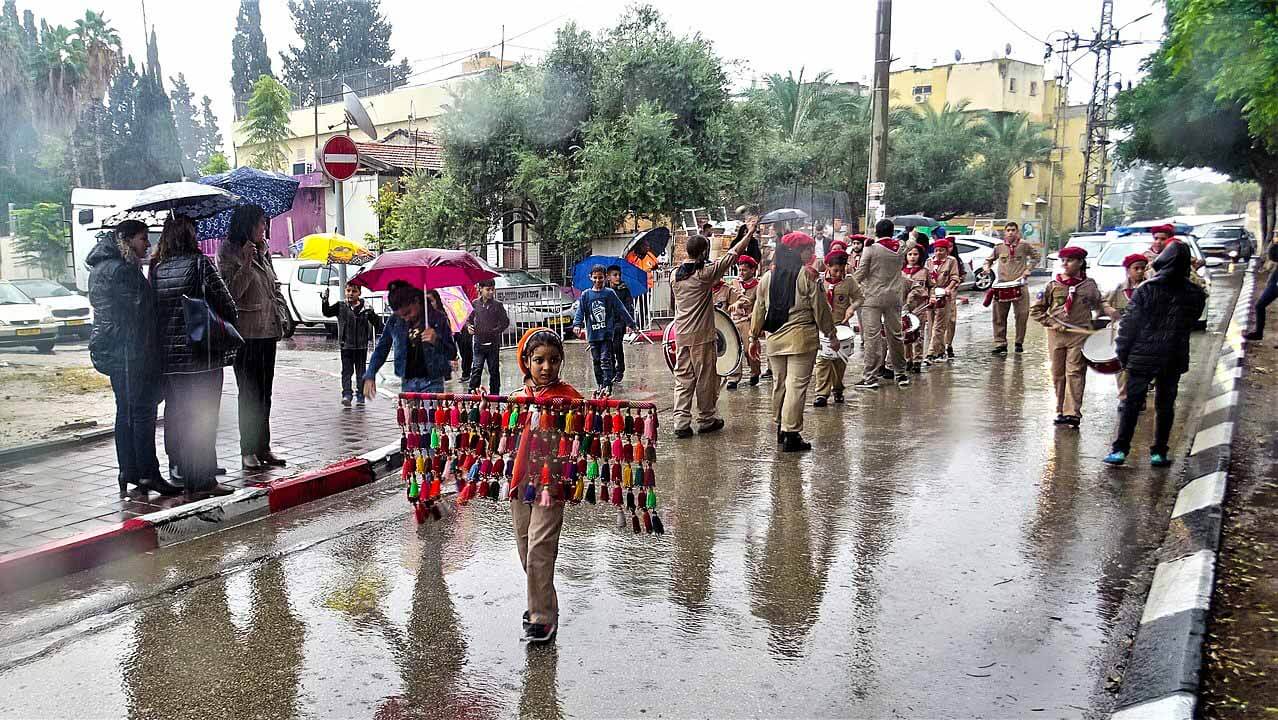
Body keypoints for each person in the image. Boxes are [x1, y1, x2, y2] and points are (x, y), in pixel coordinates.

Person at [87, 220, 182, 497]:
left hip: (117, 350)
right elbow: (141, 314)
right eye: (142, 238)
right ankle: (148, 473)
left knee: (126, 411)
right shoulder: (122, 270)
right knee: (142, 412)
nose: (147, 244)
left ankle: (128, 471)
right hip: (132, 352)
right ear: (126, 240)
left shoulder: (102, 266)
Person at [152, 214, 237, 498]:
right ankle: (204, 482)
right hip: (201, 355)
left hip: (170, 360)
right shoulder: (200, 263)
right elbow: (227, 304)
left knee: (183, 419)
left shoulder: (158, 268)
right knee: (204, 418)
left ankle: (189, 478)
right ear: (190, 236)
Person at [509, 327, 583, 643]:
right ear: (527, 361)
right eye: (539, 360)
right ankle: (545, 602)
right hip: (520, 480)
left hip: (551, 483)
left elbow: (583, 435)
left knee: (540, 545)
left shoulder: (569, 398)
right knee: (525, 546)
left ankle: (542, 617)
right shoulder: (517, 398)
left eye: (553, 360)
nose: (546, 367)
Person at [1104, 242, 1208, 466]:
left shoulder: (1146, 289)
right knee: (1166, 405)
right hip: (1174, 355)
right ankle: (1159, 453)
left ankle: (1120, 450)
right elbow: (1191, 322)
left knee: (1132, 404)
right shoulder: (1195, 293)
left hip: (1142, 356)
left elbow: (1129, 326)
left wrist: (1123, 354)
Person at [749, 231, 837, 452]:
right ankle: (791, 434)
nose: (811, 253)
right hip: (801, 340)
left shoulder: (767, 277)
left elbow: (759, 309)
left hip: (775, 340)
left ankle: (780, 427)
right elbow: (821, 309)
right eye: (808, 249)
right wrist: (831, 334)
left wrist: (753, 337)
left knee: (780, 383)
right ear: (798, 251)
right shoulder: (808, 276)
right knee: (795, 386)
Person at [218, 204, 287, 471]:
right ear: (247, 225)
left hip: (268, 330)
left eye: (265, 223)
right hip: (246, 333)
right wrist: (246, 263)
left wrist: (281, 312)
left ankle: (263, 446)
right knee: (249, 394)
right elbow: (231, 293)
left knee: (265, 393)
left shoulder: (264, 250)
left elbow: (273, 286)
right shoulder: (228, 251)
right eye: (260, 223)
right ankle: (248, 449)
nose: (264, 228)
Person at [671, 230, 752, 437]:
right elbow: (732, 255)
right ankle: (706, 419)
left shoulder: (674, 275)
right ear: (703, 252)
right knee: (705, 379)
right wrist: (749, 233)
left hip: (681, 334)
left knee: (683, 378)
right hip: (702, 336)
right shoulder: (704, 275)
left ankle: (681, 422)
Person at [1030, 245, 1106, 429]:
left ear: (1080, 262)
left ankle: (1073, 413)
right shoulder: (1053, 285)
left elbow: (1099, 305)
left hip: (1079, 335)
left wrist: (1107, 315)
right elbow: (1036, 310)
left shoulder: (1089, 285)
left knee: (1075, 372)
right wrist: (1051, 323)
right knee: (1057, 373)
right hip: (1056, 335)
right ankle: (1060, 410)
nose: (1065, 264)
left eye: (1070, 260)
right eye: (1063, 260)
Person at [363, 282, 456, 397]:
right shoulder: (394, 321)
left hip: (433, 382)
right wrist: (370, 373)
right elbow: (381, 349)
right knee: (408, 410)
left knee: (429, 409)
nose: (406, 318)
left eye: (408, 313)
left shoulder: (437, 318)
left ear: (416, 301)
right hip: (407, 382)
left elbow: (452, 352)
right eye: (401, 316)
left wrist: (436, 340)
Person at [853, 218, 908, 389]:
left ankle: (870, 377)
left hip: (872, 298)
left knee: (872, 337)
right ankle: (901, 373)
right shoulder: (901, 247)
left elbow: (861, 272)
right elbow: (911, 241)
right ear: (892, 231)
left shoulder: (870, 249)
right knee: (896, 335)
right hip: (894, 297)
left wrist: (848, 285)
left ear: (876, 232)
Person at [812, 249, 863, 407]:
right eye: (835, 270)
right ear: (827, 266)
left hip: (841, 326)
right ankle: (821, 393)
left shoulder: (849, 281)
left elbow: (860, 298)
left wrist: (852, 308)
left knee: (840, 361)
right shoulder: (819, 281)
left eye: (842, 270)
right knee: (823, 360)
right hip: (822, 327)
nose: (839, 273)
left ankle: (838, 389)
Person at [572, 264, 634, 396]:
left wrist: (631, 323)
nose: (597, 280)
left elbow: (621, 308)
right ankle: (599, 384)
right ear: (590, 277)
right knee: (596, 360)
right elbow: (580, 311)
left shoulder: (609, 293)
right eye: (595, 278)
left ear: (605, 277)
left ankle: (607, 385)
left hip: (606, 333)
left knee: (606, 359)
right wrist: (577, 324)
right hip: (593, 334)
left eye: (600, 278)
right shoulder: (586, 295)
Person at [983, 220, 1041, 355]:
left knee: (1022, 314)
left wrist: (1028, 269)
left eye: (1013, 230)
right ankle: (1000, 343)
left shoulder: (1024, 245)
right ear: (1005, 232)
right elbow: (989, 260)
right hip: (1002, 285)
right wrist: (986, 268)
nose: (1010, 233)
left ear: (1017, 232)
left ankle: (1019, 342)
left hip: (1019, 284)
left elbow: (1036, 257)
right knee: (999, 316)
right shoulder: (999, 247)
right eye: (1008, 230)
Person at [321, 283, 383, 407]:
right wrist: (325, 301)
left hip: (361, 346)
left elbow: (378, 324)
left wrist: (371, 313)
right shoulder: (340, 306)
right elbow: (327, 312)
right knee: (347, 371)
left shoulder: (365, 307)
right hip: (346, 345)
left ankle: (360, 395)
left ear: (359, 293)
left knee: (361, 372)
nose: (350, 294)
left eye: (354, 291)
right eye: (348, 291)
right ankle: (347, 394)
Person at [1102, 253, 1150, 407]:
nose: (1140, 271)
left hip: (1144, 335)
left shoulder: (1151, 288)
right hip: (1122, 334)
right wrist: (1110, 310)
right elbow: (1102, 302)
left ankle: (1140, 396)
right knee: (1121, 365)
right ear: (1128, 270)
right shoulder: (1118, 289)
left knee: (1141, 366)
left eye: (1143, 268)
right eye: (1136, 268)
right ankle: (1124, 397)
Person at [467, 278, 510, 394]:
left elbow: (505, 322)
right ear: (480, 289)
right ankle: (472, 393)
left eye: (493, 289)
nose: (491, 292)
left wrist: (496, 331)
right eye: (488, 289)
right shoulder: (475, 304)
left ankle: (495, 394)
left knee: (494, 370)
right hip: (478, 343)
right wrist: (469, 327)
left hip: (493, 344)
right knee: (476, 369)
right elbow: (468, 319)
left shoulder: (497, 305)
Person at [727, 255, 763, 389]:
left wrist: (753, 316)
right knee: (733, 349)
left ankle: (755, 372)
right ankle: (733, 377)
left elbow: (761, 306)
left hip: (749, 321)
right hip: (733, 320)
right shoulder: (734, 284)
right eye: (740, 270)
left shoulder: (758, 286)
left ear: (753, 270)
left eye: (744, 270)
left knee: (749, 350)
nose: (741, 273)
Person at [925, 238, 961, 362]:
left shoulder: (951, 261)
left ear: (947, 251)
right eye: (936, 250)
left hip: (944, 296)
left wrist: (948, 289)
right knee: (931, 324)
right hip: (931, 295)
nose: (938, 253)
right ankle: (940, 351)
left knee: (939, 325)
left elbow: (955, 277)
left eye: (941, 250)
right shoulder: (929, 262)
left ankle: (931, 352)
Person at [900, 245, 932, 373]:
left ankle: (918, 360)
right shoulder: (901, 272)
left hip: (920, 307)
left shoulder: (924, 272)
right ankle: (908, 359)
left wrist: (932, 297)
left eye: (915, 254)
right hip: (904, 308)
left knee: (919, 334)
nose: (912, 257)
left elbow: (931, 286)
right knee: (905, 334)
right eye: (910, 254)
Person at [1243, 231, 1278, 342]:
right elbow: (1273, 256)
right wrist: (1275, 243)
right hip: (1275, 281)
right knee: (1260, 305)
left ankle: (1258, 333)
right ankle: (1258, 333)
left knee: (1260, 305)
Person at [607, 265, 634, 383]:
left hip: (620, 322)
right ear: (608, 277)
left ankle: (620, 370)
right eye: (615, 275)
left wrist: (629, 323)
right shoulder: (604, 289)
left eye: (619, 275)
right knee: (608, 347)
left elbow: (628, 306)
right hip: (608, 323)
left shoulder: (624, 289)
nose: (618, 277)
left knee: (617, 345)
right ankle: (611, 370)